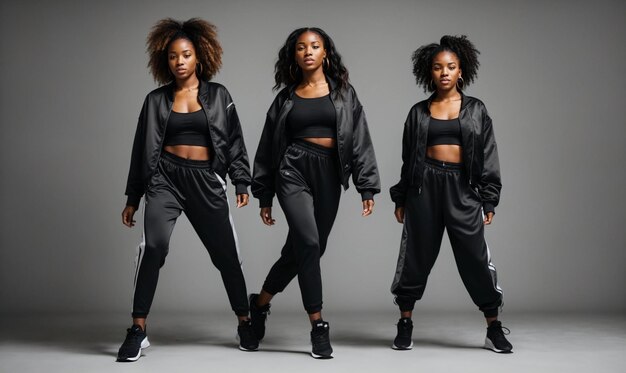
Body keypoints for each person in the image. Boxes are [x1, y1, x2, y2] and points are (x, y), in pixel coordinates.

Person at [117, 18, 257, 362]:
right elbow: (141, 149)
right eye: (172, 57)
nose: (179, 61)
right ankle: (138, 329)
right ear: (164, 61)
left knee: (226, 256)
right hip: (164, 179)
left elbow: (234, 139)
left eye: (186, 55)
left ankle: (245, 319)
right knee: (154, 246)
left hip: (206, 180)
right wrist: (133, 198)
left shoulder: (219, 95)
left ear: (199, 57)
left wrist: (241, 179)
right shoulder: (154, 100)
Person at [250, 27, 380, 359]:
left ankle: (260, 303)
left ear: (325, 53)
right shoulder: (286, 98)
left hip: (329, 173)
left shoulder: (345, 94)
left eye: (315, 46)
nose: (308, 51)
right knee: (308, 242)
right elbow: (267, 147)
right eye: (301, 47)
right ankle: (318, 325)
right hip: (292, 169)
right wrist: (264, 194)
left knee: (306, 250)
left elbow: (361, 139)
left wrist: (367, 186)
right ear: (294, 55)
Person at [389, 35, 512, 353]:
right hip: (424, 188)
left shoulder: (476, 110)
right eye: (438, 67)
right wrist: (401, 197)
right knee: (416, 257)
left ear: (462, 71)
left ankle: (493, 327)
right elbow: (408, 159)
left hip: (462, 188)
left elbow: (488, 155)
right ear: (428, 72)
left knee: (474, 258)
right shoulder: (418, 112)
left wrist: (488, 197)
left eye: (451, 67)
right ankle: (405, 323)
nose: (444, 72)